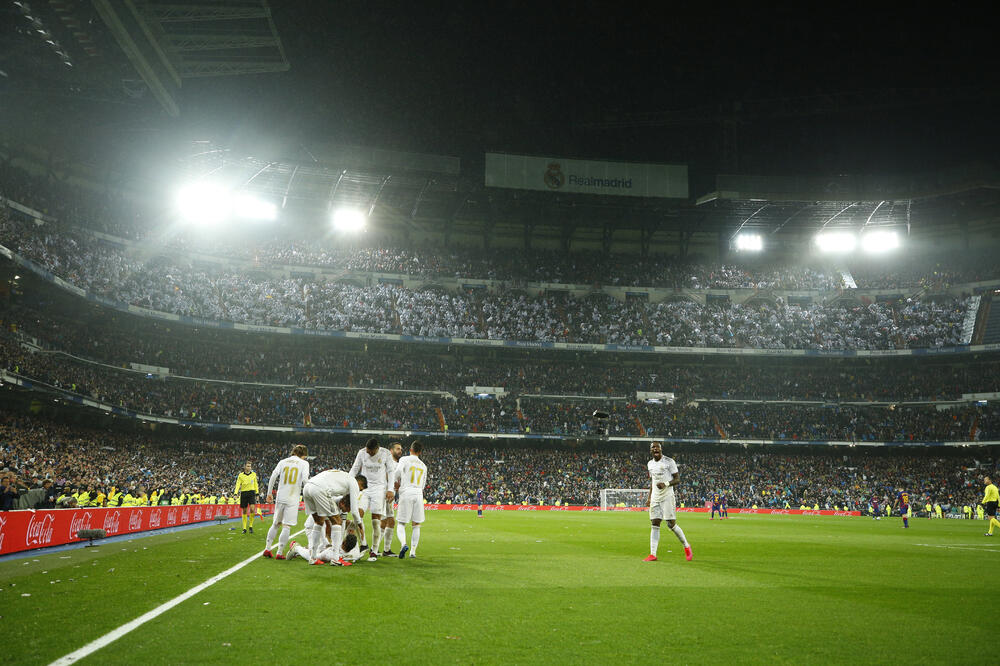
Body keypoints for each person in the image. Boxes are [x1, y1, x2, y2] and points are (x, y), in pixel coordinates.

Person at [302, 469, 366, 565]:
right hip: (320, 489)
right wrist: (359, 524)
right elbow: (354, 510)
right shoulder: (353, 482)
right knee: (337, 521)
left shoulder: (342, 478)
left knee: (318, 522)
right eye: (361, 489)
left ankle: (313, 558)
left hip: (307, 487)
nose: (359, 491)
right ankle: (336, 559)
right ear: (359, 483)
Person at [643, 441, 692, 562]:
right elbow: (653, 482)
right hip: (655, 496)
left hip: (667, 496)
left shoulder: (669, 462)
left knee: (671, 524)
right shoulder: (650, 464)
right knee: (655, 523)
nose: (655, 449)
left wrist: (665, 484)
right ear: (650, 450)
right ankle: (653, 554)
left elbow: (677, 479)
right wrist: (649, 497)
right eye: (653, 447)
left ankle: (686, 546)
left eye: (657, 447)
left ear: (661, 449)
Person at [348, 437, 393, 561]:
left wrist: (391, 489)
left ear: (376, 449)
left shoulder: (385, 454)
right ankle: (363, 544)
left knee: (375, 521)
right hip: (365, 488)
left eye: (371, 452)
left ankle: (374, 550)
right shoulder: (362, 453)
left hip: (379, 488)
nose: (368, 453)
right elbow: (355, 469)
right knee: (357, 514)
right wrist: (346, 482)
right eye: (367, 451)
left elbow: (391, 471)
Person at [263, 444, 310, 559]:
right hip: (293, 497)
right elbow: (304, 480)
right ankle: (279, 552)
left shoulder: (283, 461)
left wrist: (269, 493)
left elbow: (273, 476)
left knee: (275, 523)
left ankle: (267, 549)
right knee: (286, 525)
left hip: (281, 495)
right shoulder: (304, 464)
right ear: (303, 455)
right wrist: (309, 493)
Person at [393, 439, 428, 559]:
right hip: (418, 494)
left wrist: (396, 482)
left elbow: (397, 471)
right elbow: (423, 485)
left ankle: (403, 544)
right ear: (420, 452)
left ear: (410, 450)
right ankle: (413, 552)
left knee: (401, 523)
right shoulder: (424, 466)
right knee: (416, 524)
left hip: (406, 492)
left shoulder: (404, 459)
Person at [378, 441, 404, 556]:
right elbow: (385, 476)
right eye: (398, 449)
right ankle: (379, 549)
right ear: (391, 451)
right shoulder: (388, 463)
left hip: (390, 495)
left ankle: (383, 550)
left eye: (401, 449)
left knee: (388, 522)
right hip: (385, 495)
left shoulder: (397, 464)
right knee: (386, 521)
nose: (400, 451)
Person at [234, 461, 259, 534]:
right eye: (248, 466)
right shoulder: (240, 475)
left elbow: (255, 484)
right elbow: (238, 484)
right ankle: (244, 528)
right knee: (244, 511)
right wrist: (235, 493)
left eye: (250, 466)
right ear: (245, 467)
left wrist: (257, 493)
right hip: (244, 493)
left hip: (251, 492)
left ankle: (250, 526)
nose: (249, 467)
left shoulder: (254, 474)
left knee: (252, 508)